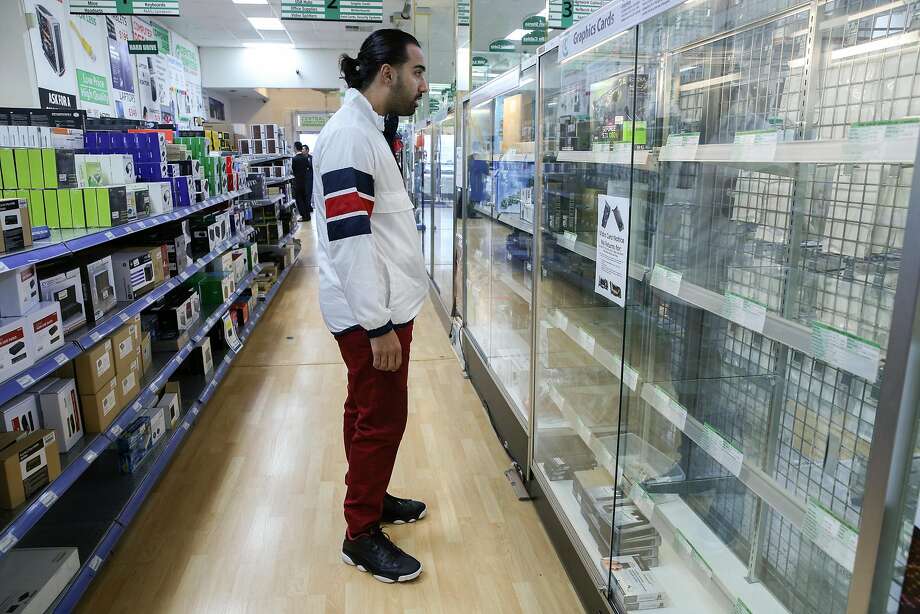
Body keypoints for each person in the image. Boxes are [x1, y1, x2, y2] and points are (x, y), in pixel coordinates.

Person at [313, 29, 429, 584]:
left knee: (365, 411)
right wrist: (378, 325)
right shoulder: (349, 139)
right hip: (370, 316)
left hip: (377, 308)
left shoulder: (367, 131)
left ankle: (372, 497)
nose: (423, 85)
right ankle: (360, 534)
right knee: (381, 419)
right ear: (388, 73)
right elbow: (350, 239)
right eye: (418, 72)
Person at [292, 142, 314, 221]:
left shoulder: (294, 159)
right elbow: (308, 166)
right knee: (305, 199)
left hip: (298, 182)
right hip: (305, 182)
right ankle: (307, 216)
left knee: (299, 200)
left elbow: (293, 170)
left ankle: (304, 216)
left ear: (295, 148)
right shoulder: (305, 158)